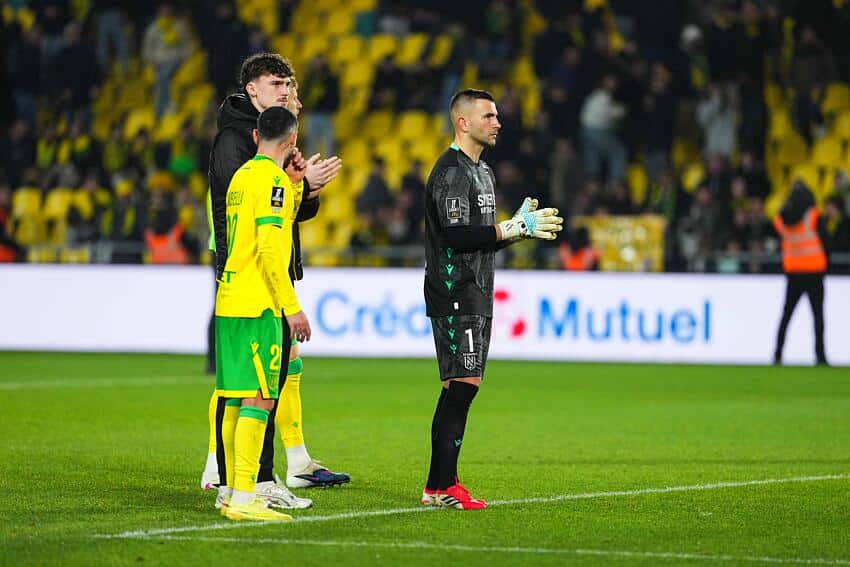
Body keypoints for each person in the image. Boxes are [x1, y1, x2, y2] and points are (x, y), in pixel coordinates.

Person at [203, 53, 344, 509]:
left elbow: (286, 211)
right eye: (276, 83)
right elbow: (251, 219)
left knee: (262, 377)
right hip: (252, 277)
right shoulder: (237, 142)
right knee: (255, 387)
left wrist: (303, 186)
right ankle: (247, 479)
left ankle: (244, 477)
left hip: (254, 275)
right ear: (252, 90)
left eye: (289, 84)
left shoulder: (266, 148)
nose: (285, 91)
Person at [421, 89, 563, 510]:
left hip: (477, 290)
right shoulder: (451, 172)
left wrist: (516, 230)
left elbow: (482, 239)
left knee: (458, 387)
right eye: (488, 116)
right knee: (463, 386)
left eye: (497, 115)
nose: (497, 123)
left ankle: (437, 486)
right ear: (463, 122)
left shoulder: (482, 172)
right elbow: (456, 236)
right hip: (455, 291)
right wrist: (508, 228)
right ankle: (444, 485)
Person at [214, 106, 308, 521]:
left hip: (229, 299)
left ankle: (231, 491)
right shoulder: (271, 180)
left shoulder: (242, 176)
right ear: (292, 140)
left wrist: (296, 186)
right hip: (258, 304)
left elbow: (273, 225)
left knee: (237, 399)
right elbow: (271, 249)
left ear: (256, 136)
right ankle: (244, 498)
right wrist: (292, 308)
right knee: (263, 398)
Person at [773, 182, 828, 366]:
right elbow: (826, 241)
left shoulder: (781, 218)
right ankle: (820, 356)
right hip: (814, 271)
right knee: (817, 316)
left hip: (793, 272)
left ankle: (777, 354)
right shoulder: (813, 216)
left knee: (786, 315)